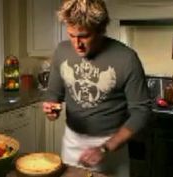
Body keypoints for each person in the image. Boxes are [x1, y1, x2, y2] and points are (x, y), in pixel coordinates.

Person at [42, 0, 151, 176]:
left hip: (112, 146)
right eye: (71, 35)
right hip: (72, 145)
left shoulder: (127, 58)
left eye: (84, 36)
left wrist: (106, 147)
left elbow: (141, 111)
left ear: (100, 30)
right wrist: (51, 109)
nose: (77, 44)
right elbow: (54, 95)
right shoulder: (61, 51)